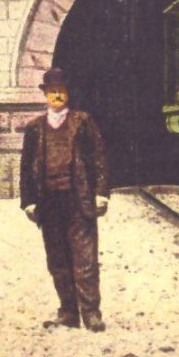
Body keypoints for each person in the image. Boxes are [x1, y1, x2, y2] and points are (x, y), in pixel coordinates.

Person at [19, 69, 110, 332]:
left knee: (85, 259)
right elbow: (26, 167)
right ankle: (68, 312)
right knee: (57, 260)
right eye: (52, 92)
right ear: (45, 95)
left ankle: (91, 313)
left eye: (61, 91)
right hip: (49, 203)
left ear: (68, 94)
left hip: (77, 200)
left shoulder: (83, 122)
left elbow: (100, 159)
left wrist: (101, 193)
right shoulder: (34, 128)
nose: (57, 96)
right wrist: (28, 201)